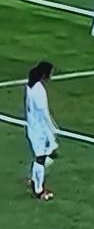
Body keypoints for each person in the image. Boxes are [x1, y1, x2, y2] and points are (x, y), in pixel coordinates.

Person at [25, 62, 58, 202]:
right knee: (42, 158)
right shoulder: (39, 90)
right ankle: (38, 190)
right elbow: (44, 112)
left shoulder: (30, 85)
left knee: (48, 155)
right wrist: (53, 128)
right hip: (39, 130)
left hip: (34, 127)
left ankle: (34, 178)